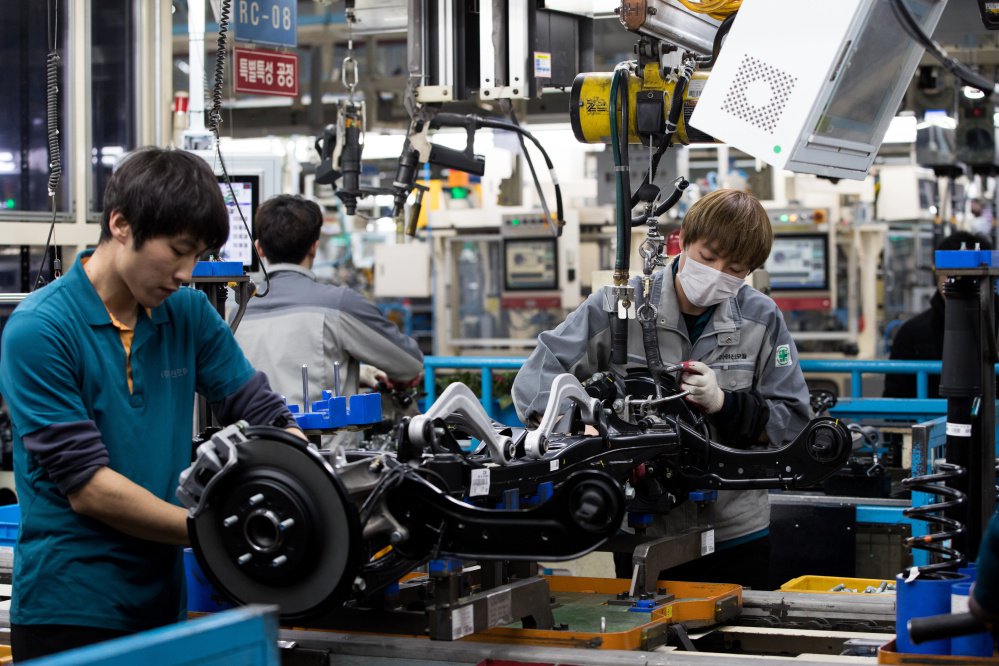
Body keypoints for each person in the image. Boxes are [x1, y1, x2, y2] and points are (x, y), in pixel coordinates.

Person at [0, 147, 305, 661]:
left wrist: (306, 486)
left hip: (162, 605)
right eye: (178, 251)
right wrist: (212, 532)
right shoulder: (40, 330)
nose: (187, 273)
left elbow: (263, 413)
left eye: (199, 256)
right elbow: (88, 488)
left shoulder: (185, 313)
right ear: (121, 225)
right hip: (70, 611)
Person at [512, 189, 810, 590]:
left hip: (735, 530)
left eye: (736, 269)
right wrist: (578, 426)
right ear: (684, 239)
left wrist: (725, 404)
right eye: (708, 258)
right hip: (644, 528)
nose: (719, 273)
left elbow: (793, 423)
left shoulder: (762, 319)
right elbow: (535, 379)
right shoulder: (619, 306)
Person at [233, 194, 424, 445]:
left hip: (250, 464)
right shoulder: (339, 305)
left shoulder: (236, 314)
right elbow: (409, 364)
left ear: (258, 249)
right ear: (314, 246)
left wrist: (360, 372)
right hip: (326, 471)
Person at [883, 230, 993, 399]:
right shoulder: (912, 334)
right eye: (951, 274)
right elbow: (895, 401)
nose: (958, 282)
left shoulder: (995, 329)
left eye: (971, 276)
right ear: (937, 271)